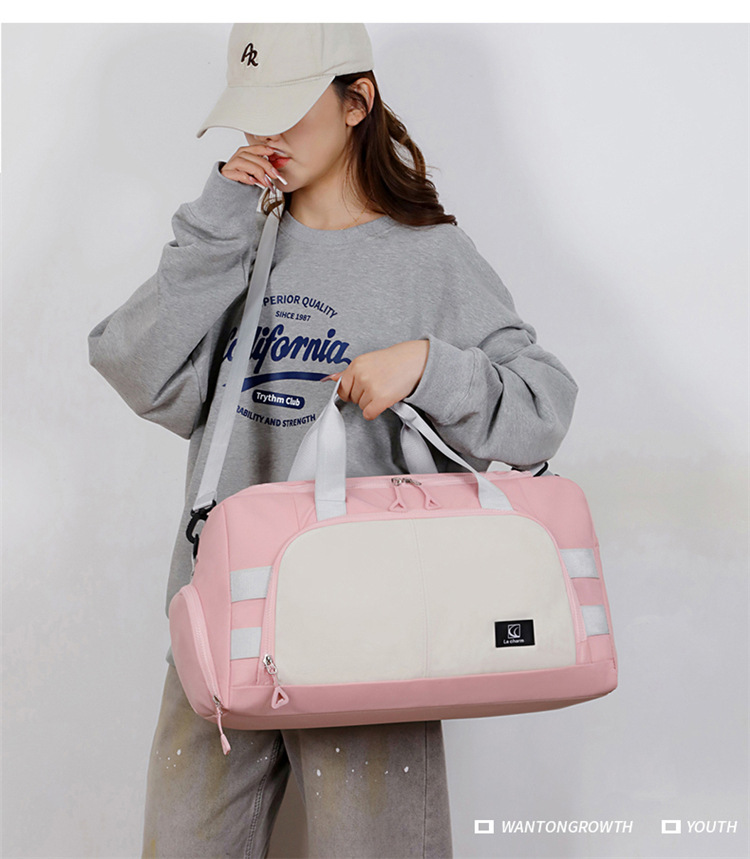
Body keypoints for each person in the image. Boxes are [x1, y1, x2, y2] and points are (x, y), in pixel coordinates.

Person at [88, 23, 578, 859]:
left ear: (358, 102)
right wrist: (220, 216)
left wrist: (427, 366)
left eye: (288, 106)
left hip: (374, 629)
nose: (266, 133)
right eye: (253, 111)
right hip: (225, 620)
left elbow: (543, 408)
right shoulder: (234, 243)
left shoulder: (429, 258)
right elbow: (137, 368)